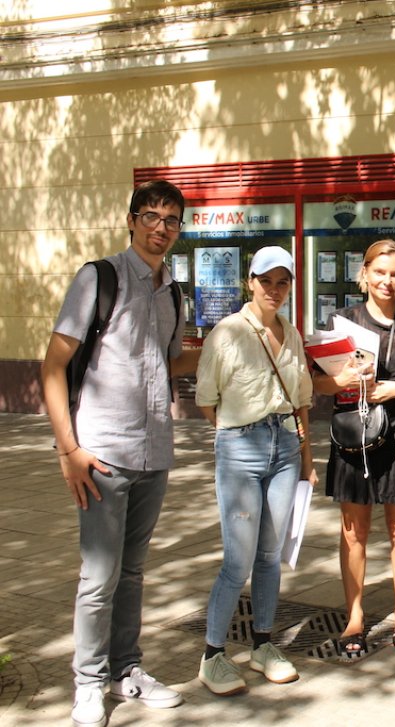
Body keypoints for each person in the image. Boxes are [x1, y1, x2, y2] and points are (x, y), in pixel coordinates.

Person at [41, 179, 192, 727]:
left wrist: (219, 351)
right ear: (131, 220)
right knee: (99, 576)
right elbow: (54, 365)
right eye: (151, 216)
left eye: (172, 220)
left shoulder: (173, 291)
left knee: (132, 573)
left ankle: (126, 670)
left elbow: (166, 363)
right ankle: (87, 683)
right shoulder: (98, 278)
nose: (161, 228)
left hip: (154, 452)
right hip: (101, 454)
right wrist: (69, 450)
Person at [195, 245, 319, 696]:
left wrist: (306, 460)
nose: (274, 289)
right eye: (266, 280)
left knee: (270, 554)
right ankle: (212, 655)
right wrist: (236, 439)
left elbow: (302, 398)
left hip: (286, 446)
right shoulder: (227, 332)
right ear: (250, 281)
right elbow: (207, 401)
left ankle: (263, 644)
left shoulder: (292, 333)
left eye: (283, 281)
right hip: (241, 447)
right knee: (238, 559)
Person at [313, 240, 395, 654]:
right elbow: (316, 384)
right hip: (356, 438)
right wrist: (343, 382)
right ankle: (354, 617)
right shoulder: (341, 322)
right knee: (354, 531)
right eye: (380, 272)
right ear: (364, 272)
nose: (388, 281)